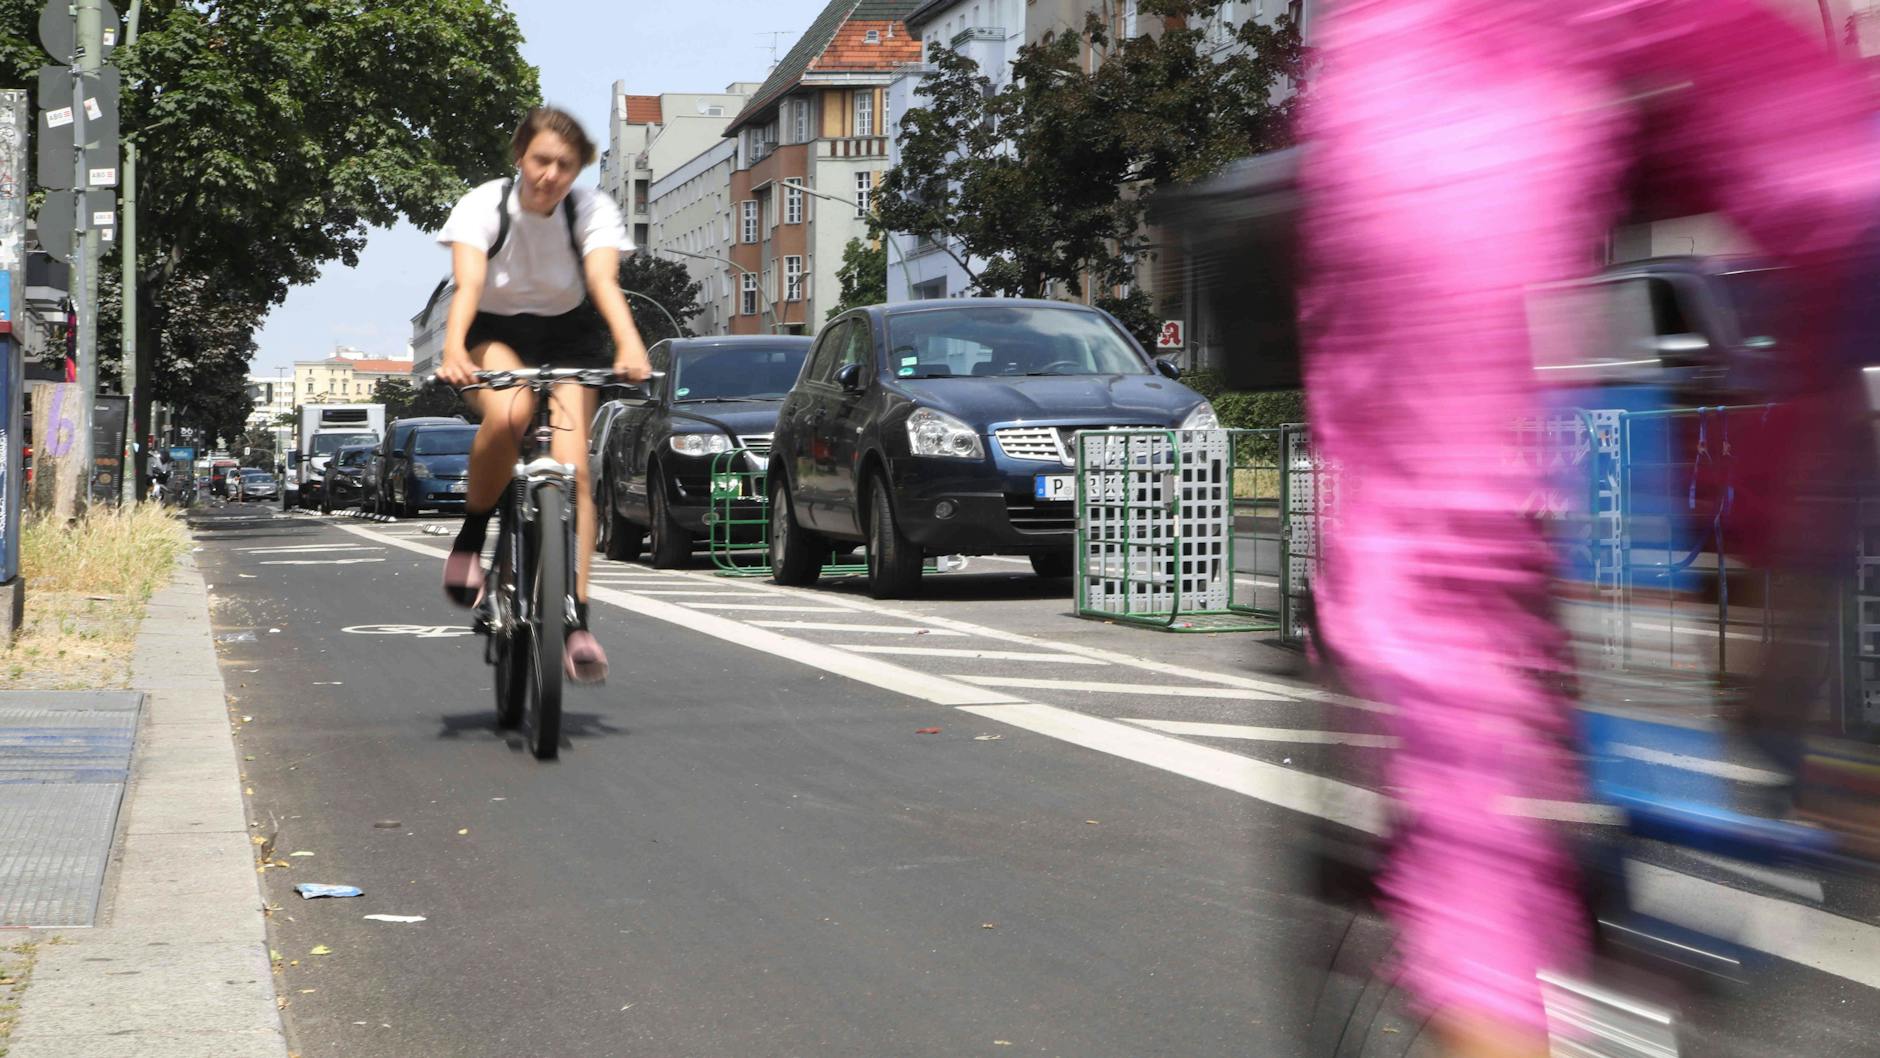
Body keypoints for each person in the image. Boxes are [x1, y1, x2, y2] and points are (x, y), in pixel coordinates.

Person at [1297, 1, 1880, 1055]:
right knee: (1841, 222)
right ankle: (1793, 744)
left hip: (1457, 62)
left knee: (1445, 589)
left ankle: (1767, 749)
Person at [434, 106, 652, 683]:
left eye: (566, 165)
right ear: (519, 158)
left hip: (569, 338)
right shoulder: (483, 205)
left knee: (574, 471)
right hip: (493, 332)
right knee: (510, 414)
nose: (551, 175)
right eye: (541, 161)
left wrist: (631, 347)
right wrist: (453, 348)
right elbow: (470, 282)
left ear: (578, 169)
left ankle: (576, 619)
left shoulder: (590, 209)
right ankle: (472, 537)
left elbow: (604, 282)